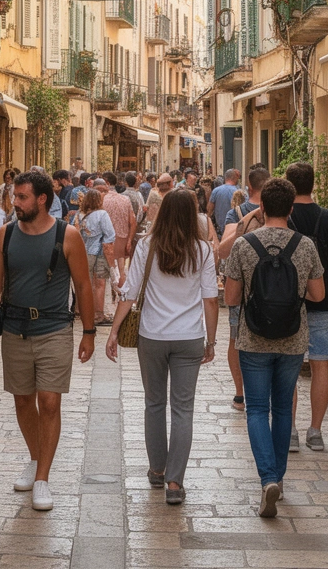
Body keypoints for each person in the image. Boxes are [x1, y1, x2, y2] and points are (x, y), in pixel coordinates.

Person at [0, 171, 97, 511]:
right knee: (22, 401)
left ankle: (43, 477)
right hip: (15, 329)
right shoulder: (6, 234)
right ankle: (34, 458)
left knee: (50, 402)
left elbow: (84, 286)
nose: (15, 203)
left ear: (42, 199)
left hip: (54, 329)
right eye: (15, 197)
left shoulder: (67, 235)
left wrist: (89, 332)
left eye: (22, 198)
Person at [105, 189, 219, 505]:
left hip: (152, 337)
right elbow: (211, 299)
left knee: (154, 403)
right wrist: (210, 340)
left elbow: (128, 294)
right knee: (183, 409)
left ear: (163, 212)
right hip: (189, 338)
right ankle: (174, 483)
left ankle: (157, 470)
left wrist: (114, 332)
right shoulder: (203, 251)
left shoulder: (147, 246)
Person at [222, 178, 325, 518]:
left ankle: (267, 478)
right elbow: (318, 295)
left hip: (253, 339)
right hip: (293, 340)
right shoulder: (306, 245)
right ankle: (277, 478)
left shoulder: (243, 244)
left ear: (261, 207)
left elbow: (232, 298)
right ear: (291, 208)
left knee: (255, 410)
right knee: (282, 409)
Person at [284, 162, 328, 454]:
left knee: (290, 365)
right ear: (314, 183)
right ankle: (316, 431)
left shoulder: (282, 217)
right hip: (323, 299)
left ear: (288, 184)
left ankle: (290, 432)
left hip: (288, 301)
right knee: (321, 361)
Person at [216, 166, 271, 411]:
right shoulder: (237, 213)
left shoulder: (277, 211)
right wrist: (248, 219)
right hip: (245, 287)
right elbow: (224, 250)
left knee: (238, 339)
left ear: (248, 187)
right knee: (237, 338)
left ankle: (246, 392)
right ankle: (241, 394)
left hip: (263, 287)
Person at [71, 189, 117, 325]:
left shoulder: (79, 215)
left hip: (83, 252)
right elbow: (110, 236)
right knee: (100, 284)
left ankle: (81, 311)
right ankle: (98, 315)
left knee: (84, 283)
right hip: (99, 253)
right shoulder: (102, 214)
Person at [99, 173, 135, 285]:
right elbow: (133, 222)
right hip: (122, 238)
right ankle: (121, 292)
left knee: (102, 273)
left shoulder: (101, 200)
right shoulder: (125, 199)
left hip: (104, 240)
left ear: (106, 183)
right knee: (121, 267)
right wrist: (129, 240)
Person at [209, 169, 241, 239]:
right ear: (235, 178)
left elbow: (209, 210)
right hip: (235, 231)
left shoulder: (216, 191)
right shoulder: (239, 192)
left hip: (220, 231)